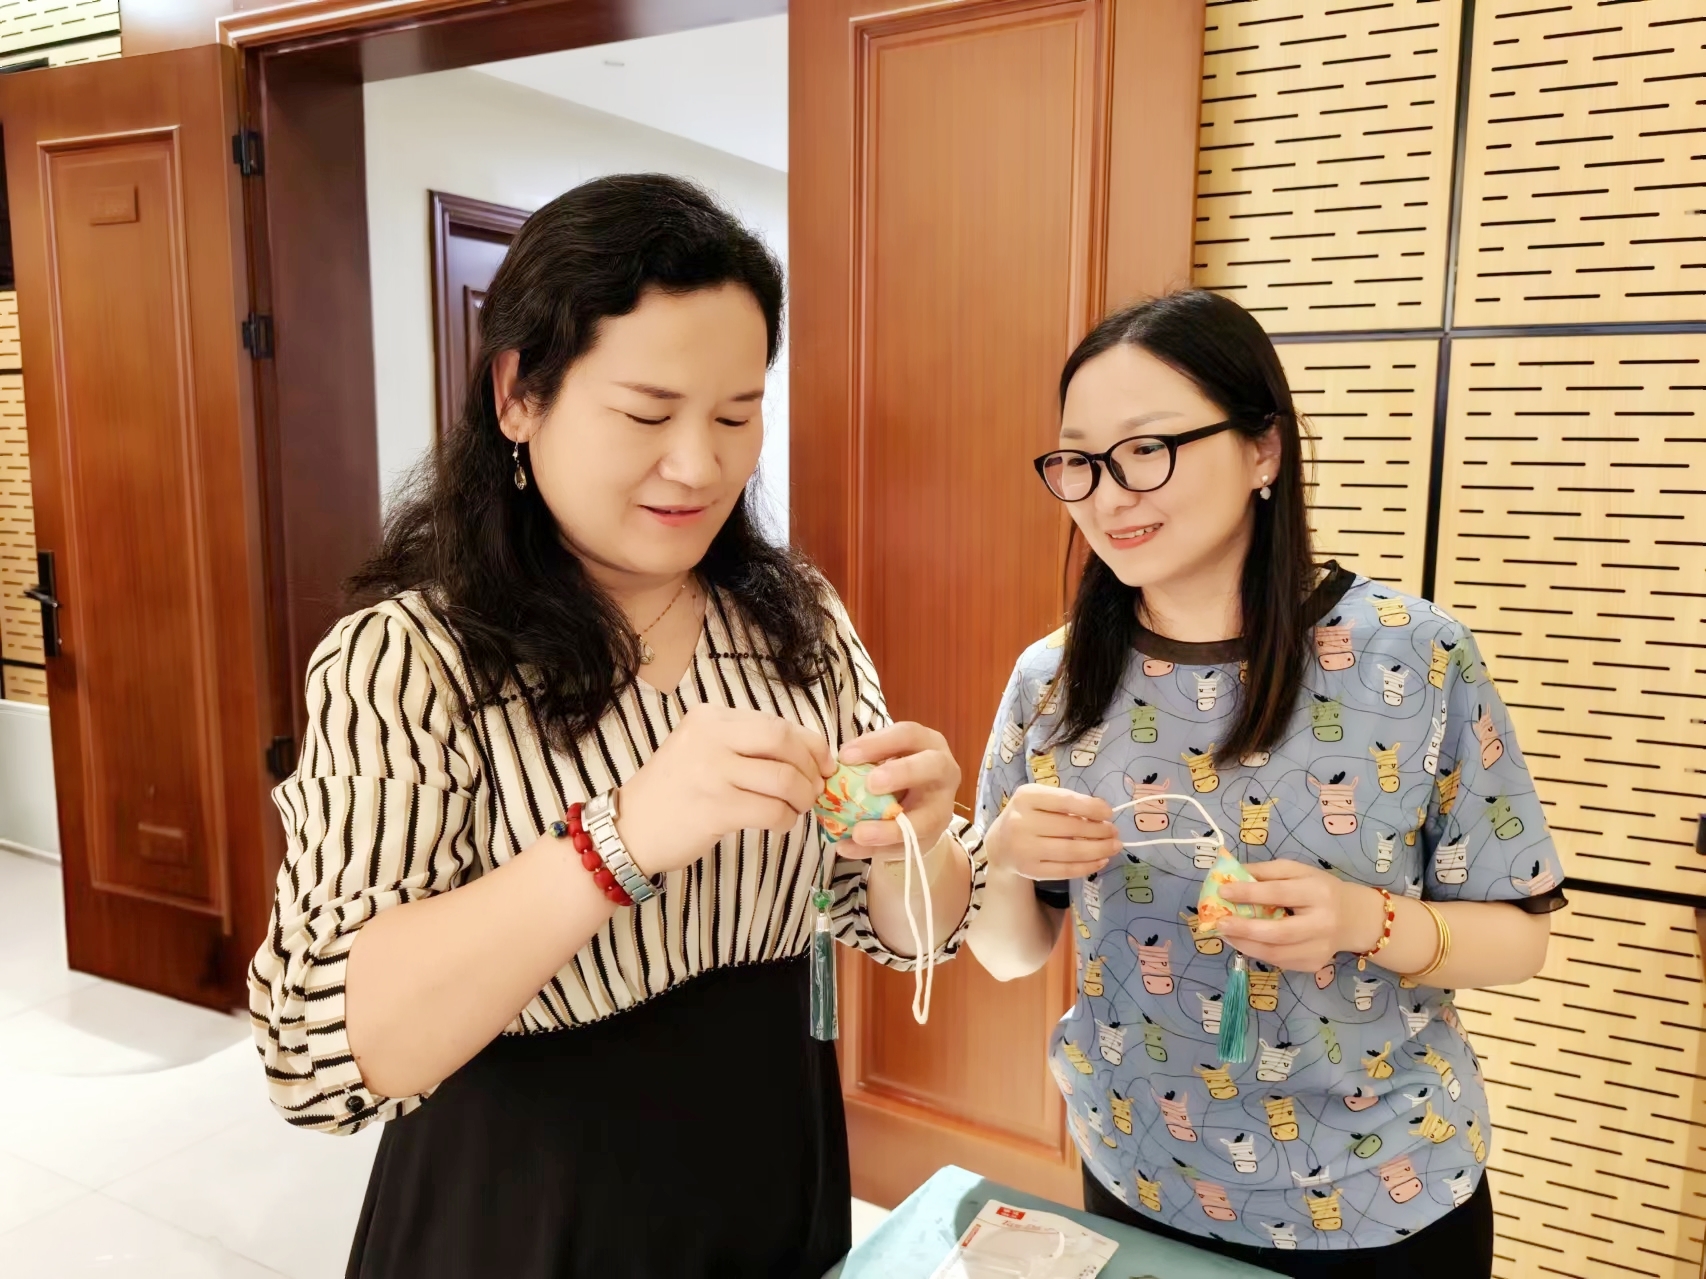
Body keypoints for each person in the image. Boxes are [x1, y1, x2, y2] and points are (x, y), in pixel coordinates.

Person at [249, 174, 985, 1279]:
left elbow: (898, 926)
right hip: (531, 1197)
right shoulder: (413, 659)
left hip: (773, 1155)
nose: (699, 465)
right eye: (645, 414)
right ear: (518, 396)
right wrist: (619, 837)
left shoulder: (795, 622)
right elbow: (317, 1055)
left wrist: (914, 842)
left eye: (735, 415)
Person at [966, 290, 1564, 1276]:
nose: (1108, 495)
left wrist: (1362, 919)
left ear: (1263, 450)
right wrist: (996, 857)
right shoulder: (1053, 680)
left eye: (1147, 448)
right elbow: (1007, 953)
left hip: (1383, 1200)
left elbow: (1519, 938)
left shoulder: (1413, 655)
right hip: (1137, 1178)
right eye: (1079, 461)